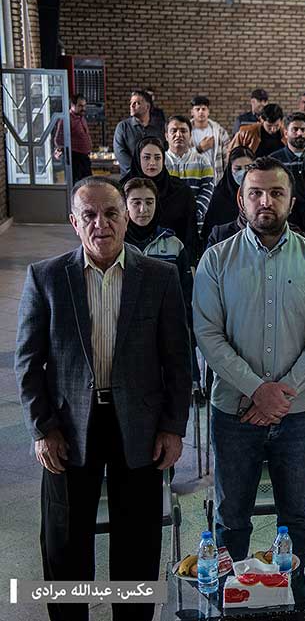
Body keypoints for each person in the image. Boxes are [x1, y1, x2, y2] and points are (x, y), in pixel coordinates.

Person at [17, 176, 190, 621]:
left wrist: (173, 427)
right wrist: (42, 429)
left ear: (126, 218)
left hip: (140, 426)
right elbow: (28, 364)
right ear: (74, 222)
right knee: (65, 540)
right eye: (89, 215)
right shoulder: (46, 278)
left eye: (111, 213)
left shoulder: (159, 277)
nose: (101, 224)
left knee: (138, 539)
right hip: (68, 428)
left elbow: (178, 360)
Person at [193, 156, 305, 569]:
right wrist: (257, 390)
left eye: (276, 193)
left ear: (292, 201)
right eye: (255, 193)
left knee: (297, 520)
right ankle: (230, 597)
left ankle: (296, 597)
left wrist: (281, 394)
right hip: (234, 414)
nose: (265, 201)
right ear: (241, 200)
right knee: (231, 521)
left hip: (299, 416)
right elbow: (208, 335)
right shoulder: (216, 261)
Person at [123, 177, 194, 308]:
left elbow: (186, 293)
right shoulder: (115, 244)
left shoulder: (173, 245)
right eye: (136, 203)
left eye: (149, 202)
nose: (143, 209)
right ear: (125, 205)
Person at [122, 135, 198, 253]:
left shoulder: (181, 190)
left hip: (172, 256)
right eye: (146, 157)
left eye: (157, 158)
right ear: (138, 159)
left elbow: (190, 232)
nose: (152, 162)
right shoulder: (122, 190)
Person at [165, 115, 215, 227]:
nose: (178, 135)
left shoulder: (202, 161)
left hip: (196, 224)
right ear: (166, 136)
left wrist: (194, 214)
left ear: (190, 135)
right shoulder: (160, 162)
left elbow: (208, 190)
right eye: (173, 131)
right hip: (166, 225)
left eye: (183, 131)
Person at [202, 146, 255, 248]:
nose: (244, 172)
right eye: (238, 168)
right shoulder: (219, 197)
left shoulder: (261, 194)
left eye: (248, 167)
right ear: (230, 169)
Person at [113, 89, 162, 175]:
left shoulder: (159, 127)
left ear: (147, 106)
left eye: (137, 103)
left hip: (155, 176)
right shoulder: (123, 127)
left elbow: (164, 150)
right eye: (131, 103)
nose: (132, 106)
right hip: (130, 177)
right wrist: (137, 171)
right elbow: (120, 153)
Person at [53, 93, 93, 182]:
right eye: (80, 106)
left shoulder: (81, 117)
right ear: (72, 105)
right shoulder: (66, 119)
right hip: (74, 160)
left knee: (88, 184)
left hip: (84, 158)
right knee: (77, 186)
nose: (83, 108)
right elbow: (58, 140)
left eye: (84, 106)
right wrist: (67, 152)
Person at [190, 95, 232, 181]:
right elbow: (180, 155)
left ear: (208, 112)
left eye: (204, 109)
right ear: (192, 112)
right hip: (192, 177)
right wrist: (199, 148)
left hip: (215, 178)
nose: (201, 112)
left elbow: (228, 157)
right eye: (197, 109)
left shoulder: (219, 131)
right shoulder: (185, 132)